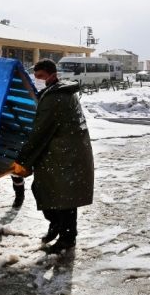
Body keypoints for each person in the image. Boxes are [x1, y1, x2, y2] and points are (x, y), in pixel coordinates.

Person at [16, 59, 94, 254]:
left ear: (52, 75)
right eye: (36, 78)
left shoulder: (55, 97)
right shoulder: (60, 92)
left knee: (63, 198)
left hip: (63, 155)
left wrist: (22, 160)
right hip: (64, 154)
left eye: (40, 77)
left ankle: (67, 237)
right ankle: (58, 228)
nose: (38, 81)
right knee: (54, 194)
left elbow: (40, 132)